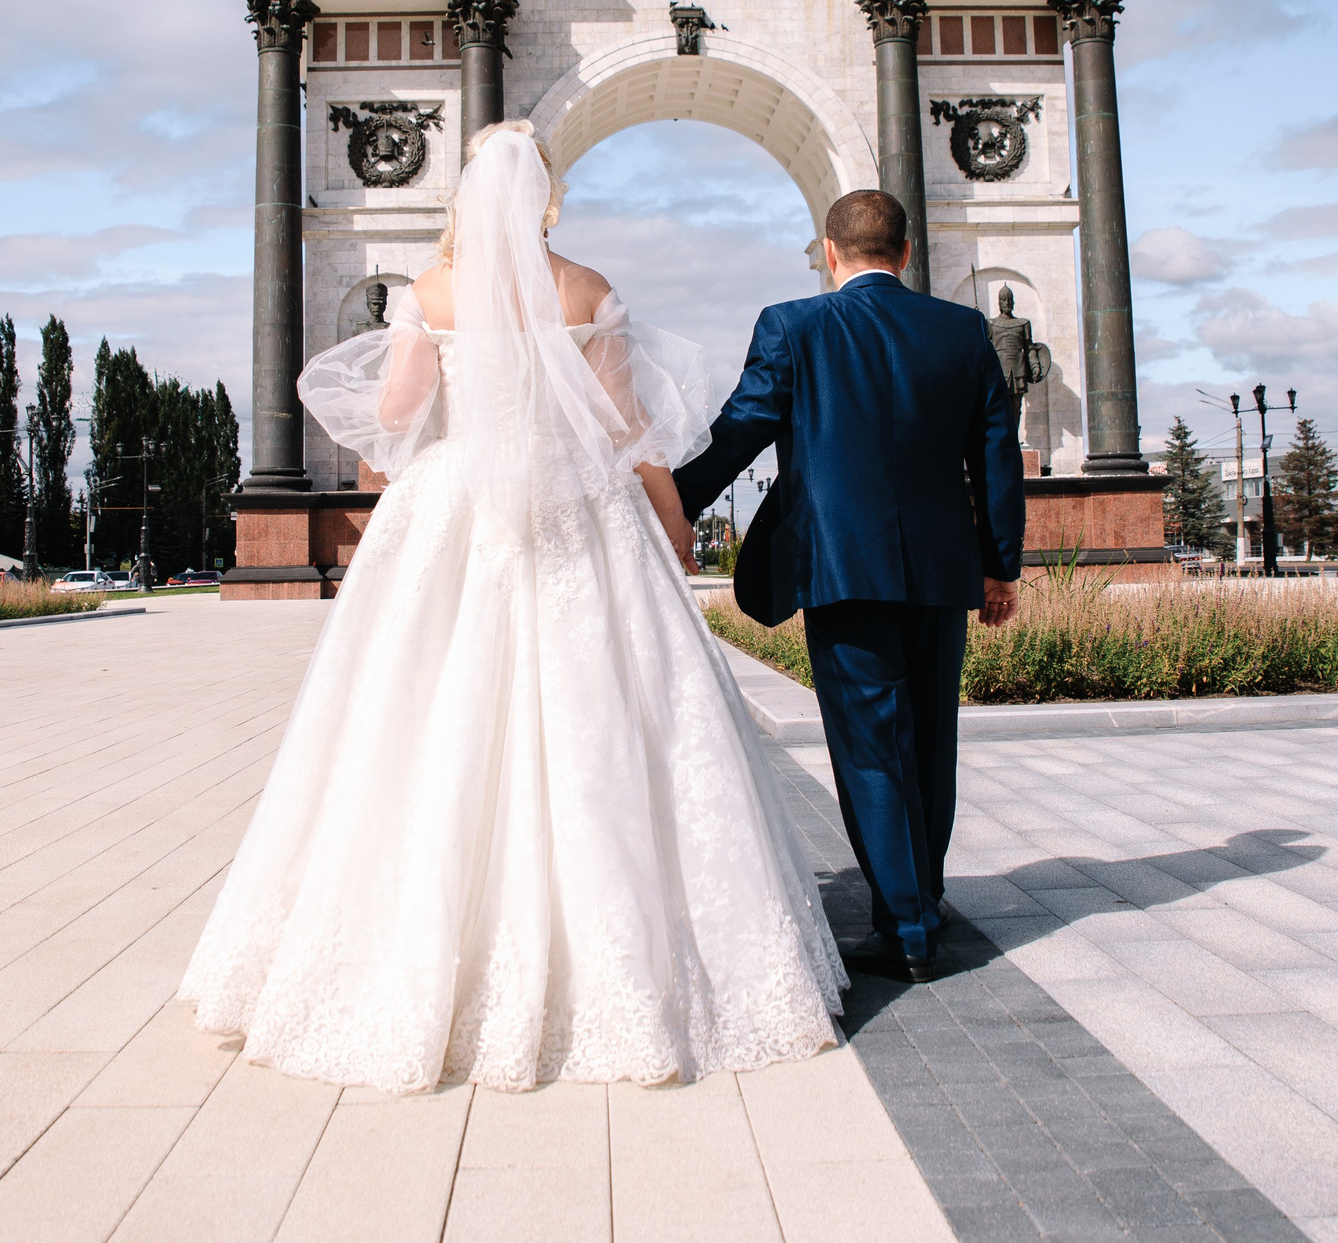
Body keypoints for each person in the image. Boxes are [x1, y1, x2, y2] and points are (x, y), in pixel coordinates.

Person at [178, 121, 844, 1093]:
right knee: (604, 724)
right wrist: (669, 528)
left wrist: (407, 426)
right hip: (581, 508)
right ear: (545, 198)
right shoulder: (585, 288)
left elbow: (399, 416)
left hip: (456, 514)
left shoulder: (433, 293)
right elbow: (627, 430)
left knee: (418, 719)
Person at [675, 191, 1025, 984]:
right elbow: (996, 457)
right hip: (940, 570)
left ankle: (904, 926)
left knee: (872, 745)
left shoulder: (793, 325)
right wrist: (1000, 565)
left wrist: (670, 501)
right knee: (933, 737)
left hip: (840, 566)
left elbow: (741, 429)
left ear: (828, 253)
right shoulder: (964, 330)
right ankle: (923, 897)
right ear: (905, 253)